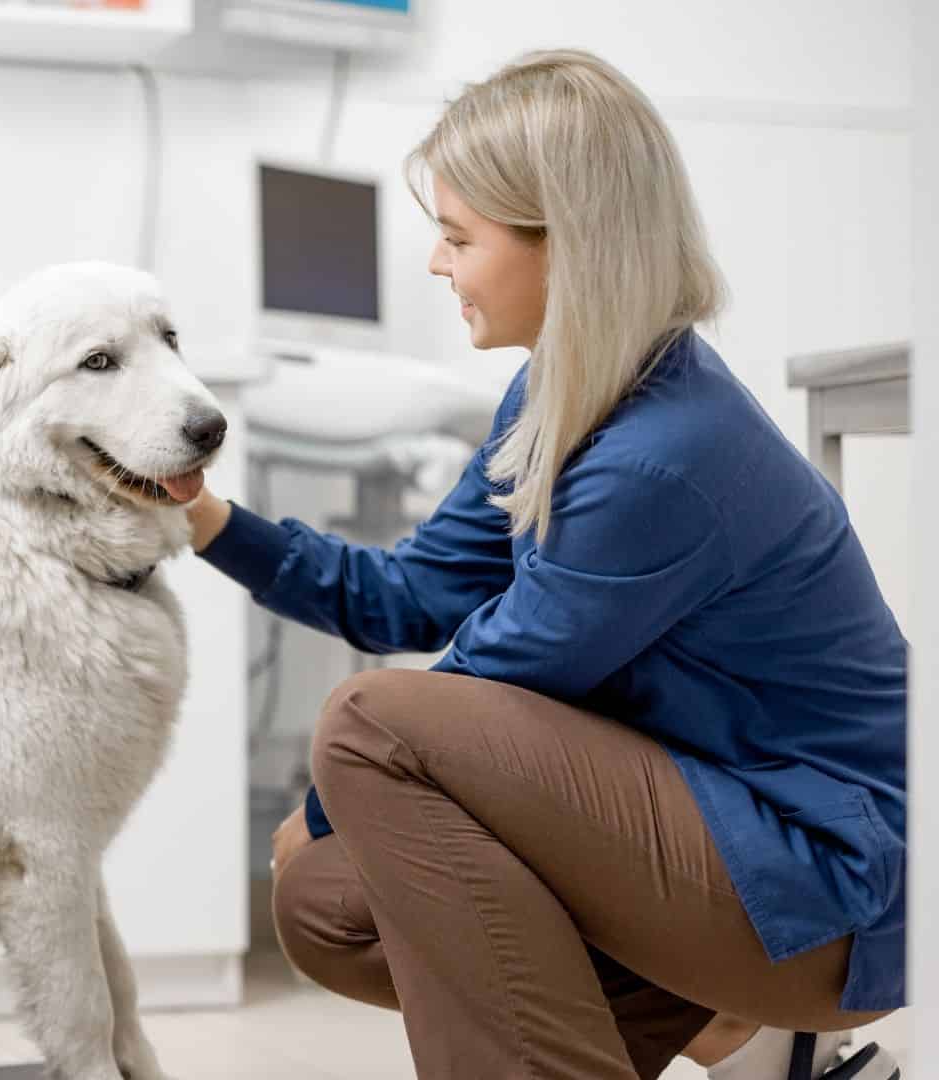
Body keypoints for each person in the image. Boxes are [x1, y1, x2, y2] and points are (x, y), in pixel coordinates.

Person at [190, 50, 906, 1080]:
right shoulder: (556, 396)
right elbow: (413, 595)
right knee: (328, 906)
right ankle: (738, 1039)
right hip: (716, 840)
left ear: (567, 246)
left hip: (828, 885)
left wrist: (312, 810)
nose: (439, 266)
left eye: (457, 238)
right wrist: (209, 520)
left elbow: (492, 681)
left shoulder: (666, 455)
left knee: (367, 727)